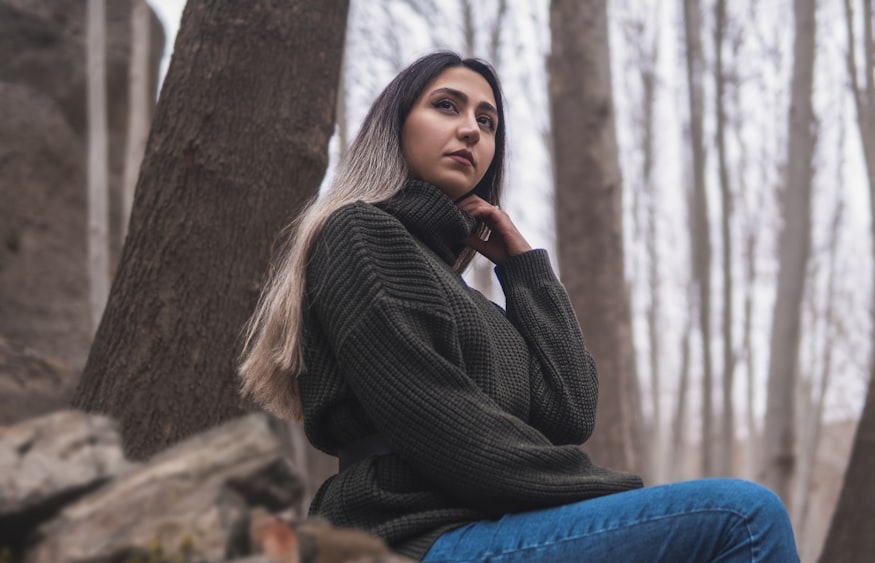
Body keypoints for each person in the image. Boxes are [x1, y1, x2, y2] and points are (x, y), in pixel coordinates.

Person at [239, 51, 799, 562]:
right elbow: (442, 424)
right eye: (446, 106)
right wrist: (618, 491)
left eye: (486, 122)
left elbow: (569, 411)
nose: (470, 130)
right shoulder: (359, 233)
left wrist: (524, 270)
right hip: (407, 539)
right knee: (740, 517)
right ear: (394, 126)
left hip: (484, 528)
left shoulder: (470, 302)